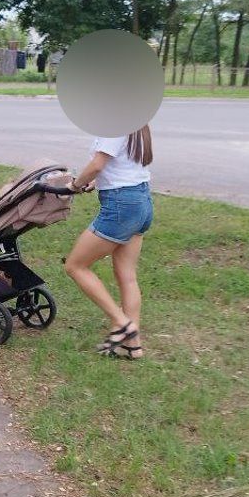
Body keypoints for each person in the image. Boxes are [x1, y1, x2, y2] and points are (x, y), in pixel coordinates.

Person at [65, 126, 154, 359]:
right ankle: (132, 346)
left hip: (121, 204)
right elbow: (123, 165)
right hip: (142, 200)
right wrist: (94, 182)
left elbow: (98, 164)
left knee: (75, 266)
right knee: (127, 275)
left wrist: (74, 186)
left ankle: (123, 324)